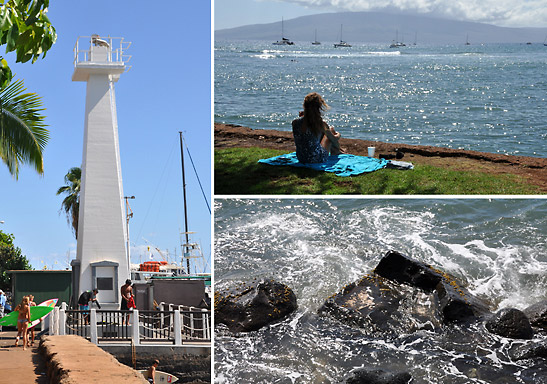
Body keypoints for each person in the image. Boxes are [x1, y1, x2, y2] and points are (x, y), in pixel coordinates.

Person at [292, 92, 343, 164]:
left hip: (301, 158)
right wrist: (339, 135)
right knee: (330, 132)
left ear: (304, 106)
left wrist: (305, 114)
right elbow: (334, 139)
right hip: (317, 159)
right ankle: (336, 152)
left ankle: (338, 151)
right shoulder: (320, 124)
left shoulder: (295, 122)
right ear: (319, 107)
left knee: (319, 134)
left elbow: (307, 123)